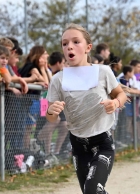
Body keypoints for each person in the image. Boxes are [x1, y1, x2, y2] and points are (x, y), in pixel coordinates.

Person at [46, 23, 127, 194]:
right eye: (65, 43)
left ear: (88, 47)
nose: (70, 46)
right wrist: (52, 111)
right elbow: (50, 117)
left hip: (102, 142)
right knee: (91, 192)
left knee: (92, 190)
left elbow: (121, 94)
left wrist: (115, 103)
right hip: (78, 146)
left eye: (76, 42)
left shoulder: (103, 72)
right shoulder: (57, 79)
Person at [37, 52, 68, 157]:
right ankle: (40, 144)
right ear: (58, 62)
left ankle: (54, 153)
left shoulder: (60, 74)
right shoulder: (48, 71)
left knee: (64, 125)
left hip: (56, 102)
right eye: (63, 62)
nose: (65, 65)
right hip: (44, 101)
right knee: (51, 122)